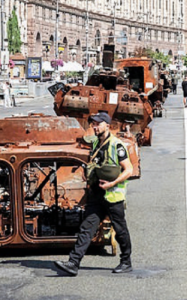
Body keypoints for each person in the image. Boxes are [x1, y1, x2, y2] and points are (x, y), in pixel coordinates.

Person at [54, 112, 134, 276]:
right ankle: (73, 263)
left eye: (98, 124)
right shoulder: (96, 143)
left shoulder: (116, 145)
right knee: (86, 228)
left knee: (120, 230)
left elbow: (129, 169)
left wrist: (112, 183)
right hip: (97, 195)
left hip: (113, 196)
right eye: (93, 124)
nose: (95, 127)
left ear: (107, 125)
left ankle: (126, 261)